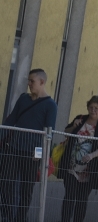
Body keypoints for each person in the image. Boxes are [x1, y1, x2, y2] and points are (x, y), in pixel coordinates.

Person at [0, 69, 57, 222]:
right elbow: (11, 120)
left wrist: (42, 155)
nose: (29, 84)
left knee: (26, 188)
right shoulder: (23, 99)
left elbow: (48, 133)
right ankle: (7, 214)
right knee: (5, 181)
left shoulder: (50, 105)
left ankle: (20, 218)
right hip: (13, 147)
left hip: (32, 153)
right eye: (28, 81)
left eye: (32, 81)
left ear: (42, 82)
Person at [58, 95, 98, 222]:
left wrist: (91, 156)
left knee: (82, 199)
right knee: (69, 196)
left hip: (89, 169)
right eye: (91, 107)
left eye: (96, 108)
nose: (93, 110)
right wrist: (73, 126)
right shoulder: (80, 119)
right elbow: (66, 131)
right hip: (71, 166)